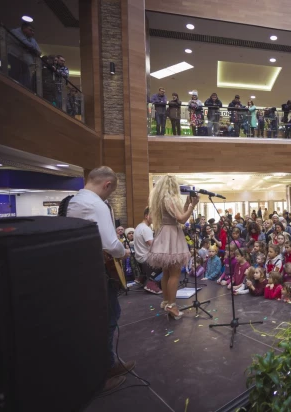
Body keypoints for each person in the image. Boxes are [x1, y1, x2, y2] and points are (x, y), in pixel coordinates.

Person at [66, 166, 135, 393]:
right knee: (108, 317)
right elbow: (110, 244)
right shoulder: (97, 204)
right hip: (99, 273)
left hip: (83, 271)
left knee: (99, 319)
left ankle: (110, 363)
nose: (109, 196)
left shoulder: (74, 201)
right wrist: (123, 251)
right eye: (110, 192)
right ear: (106, 185)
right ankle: (103, 372)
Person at [147, 175, 198, 319]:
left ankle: (166, 301)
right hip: (172, 235)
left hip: (164, 233)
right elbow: (181, 219)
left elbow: (177, 214)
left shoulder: (162, 199)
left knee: (166, 272)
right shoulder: (170, 198)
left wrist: (187, 204)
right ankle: (172, 305)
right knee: (175, 273)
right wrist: (193, 206)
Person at [133, 206, 162, 294]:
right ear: (146, 216)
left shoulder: (139, 226)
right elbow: (153, 246)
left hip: (139, 257)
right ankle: (152, 282)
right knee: (169, 265)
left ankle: (143, 277)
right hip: (146, 258)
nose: (155, 218)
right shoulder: (146, 229)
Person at [7, 22, 41, 89]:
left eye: (33, 31)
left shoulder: (32, 39)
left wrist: (30, 48)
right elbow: (24, 43)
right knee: (13, 80)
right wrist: (31, 49)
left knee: (26, 83)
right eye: (30, 30)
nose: (32, 33)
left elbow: (39, 51)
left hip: (25, 62)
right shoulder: (15, 32)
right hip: (14, 58)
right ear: (24, 28)